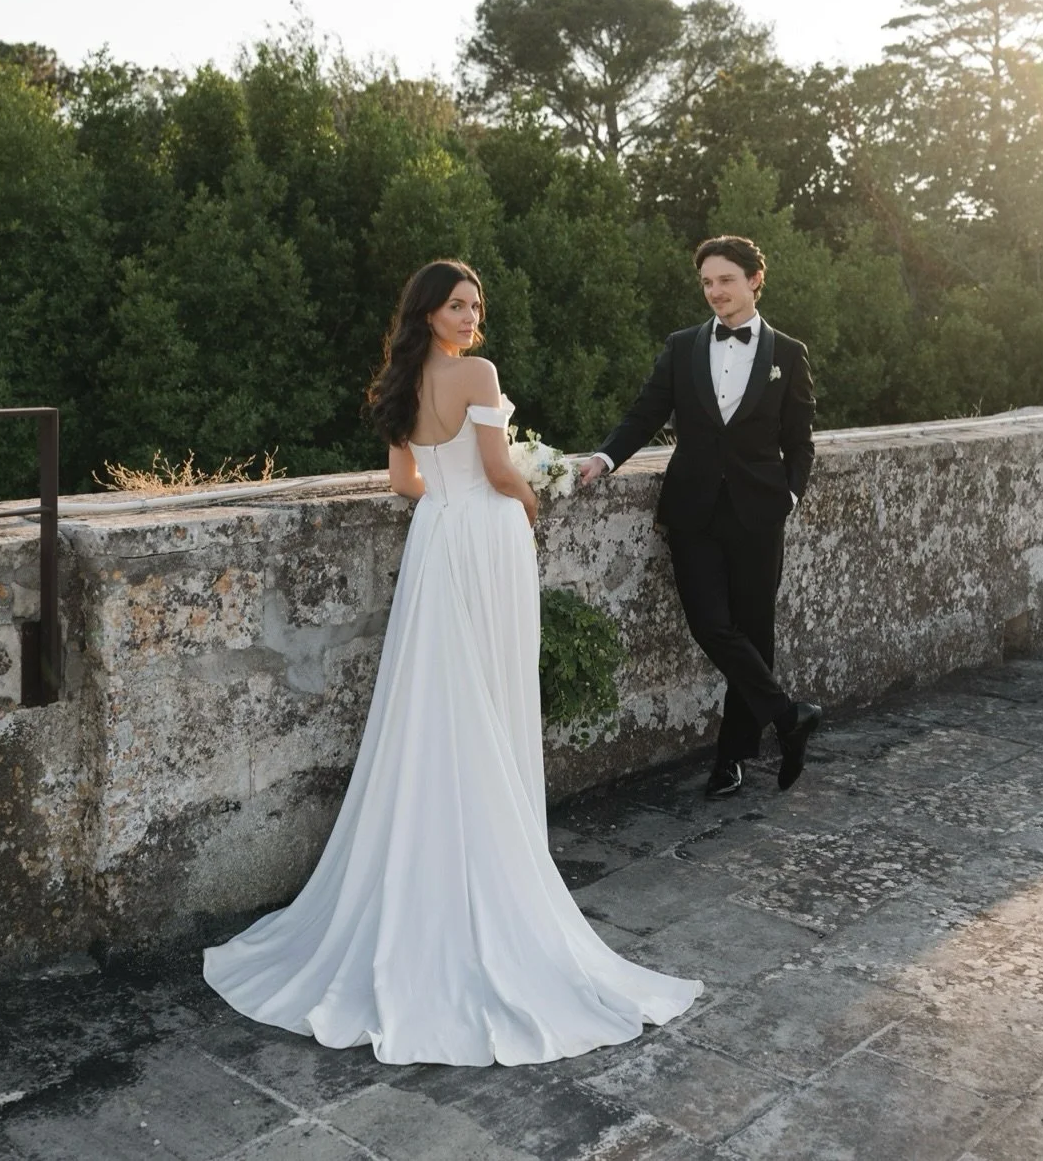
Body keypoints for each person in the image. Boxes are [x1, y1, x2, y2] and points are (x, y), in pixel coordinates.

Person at [204, 259, 702, 1066]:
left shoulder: (404, 379)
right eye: (455, 304)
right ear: (428, 311)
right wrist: (531, 498)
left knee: (432, 698)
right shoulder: (478, 371)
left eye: (475, 304)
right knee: (488, 695)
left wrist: (449, 495)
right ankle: (488, 878)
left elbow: (404, 479)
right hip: (485, 538)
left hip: (436, 536)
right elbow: (503, 471)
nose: (470, 315)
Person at [580, 236, 821, 799]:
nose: (715, 292)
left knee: (755, 636)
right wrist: (605, 457)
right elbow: (645, 413)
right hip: (693, 510)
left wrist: (790, 498)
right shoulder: (683, 345)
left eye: (726, 280)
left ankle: (731, 757)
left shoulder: (788, 354)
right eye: (707, 282)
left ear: (755, 280)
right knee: (711, 624)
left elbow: (800, 441)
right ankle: (789, 718)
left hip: (760, 513)